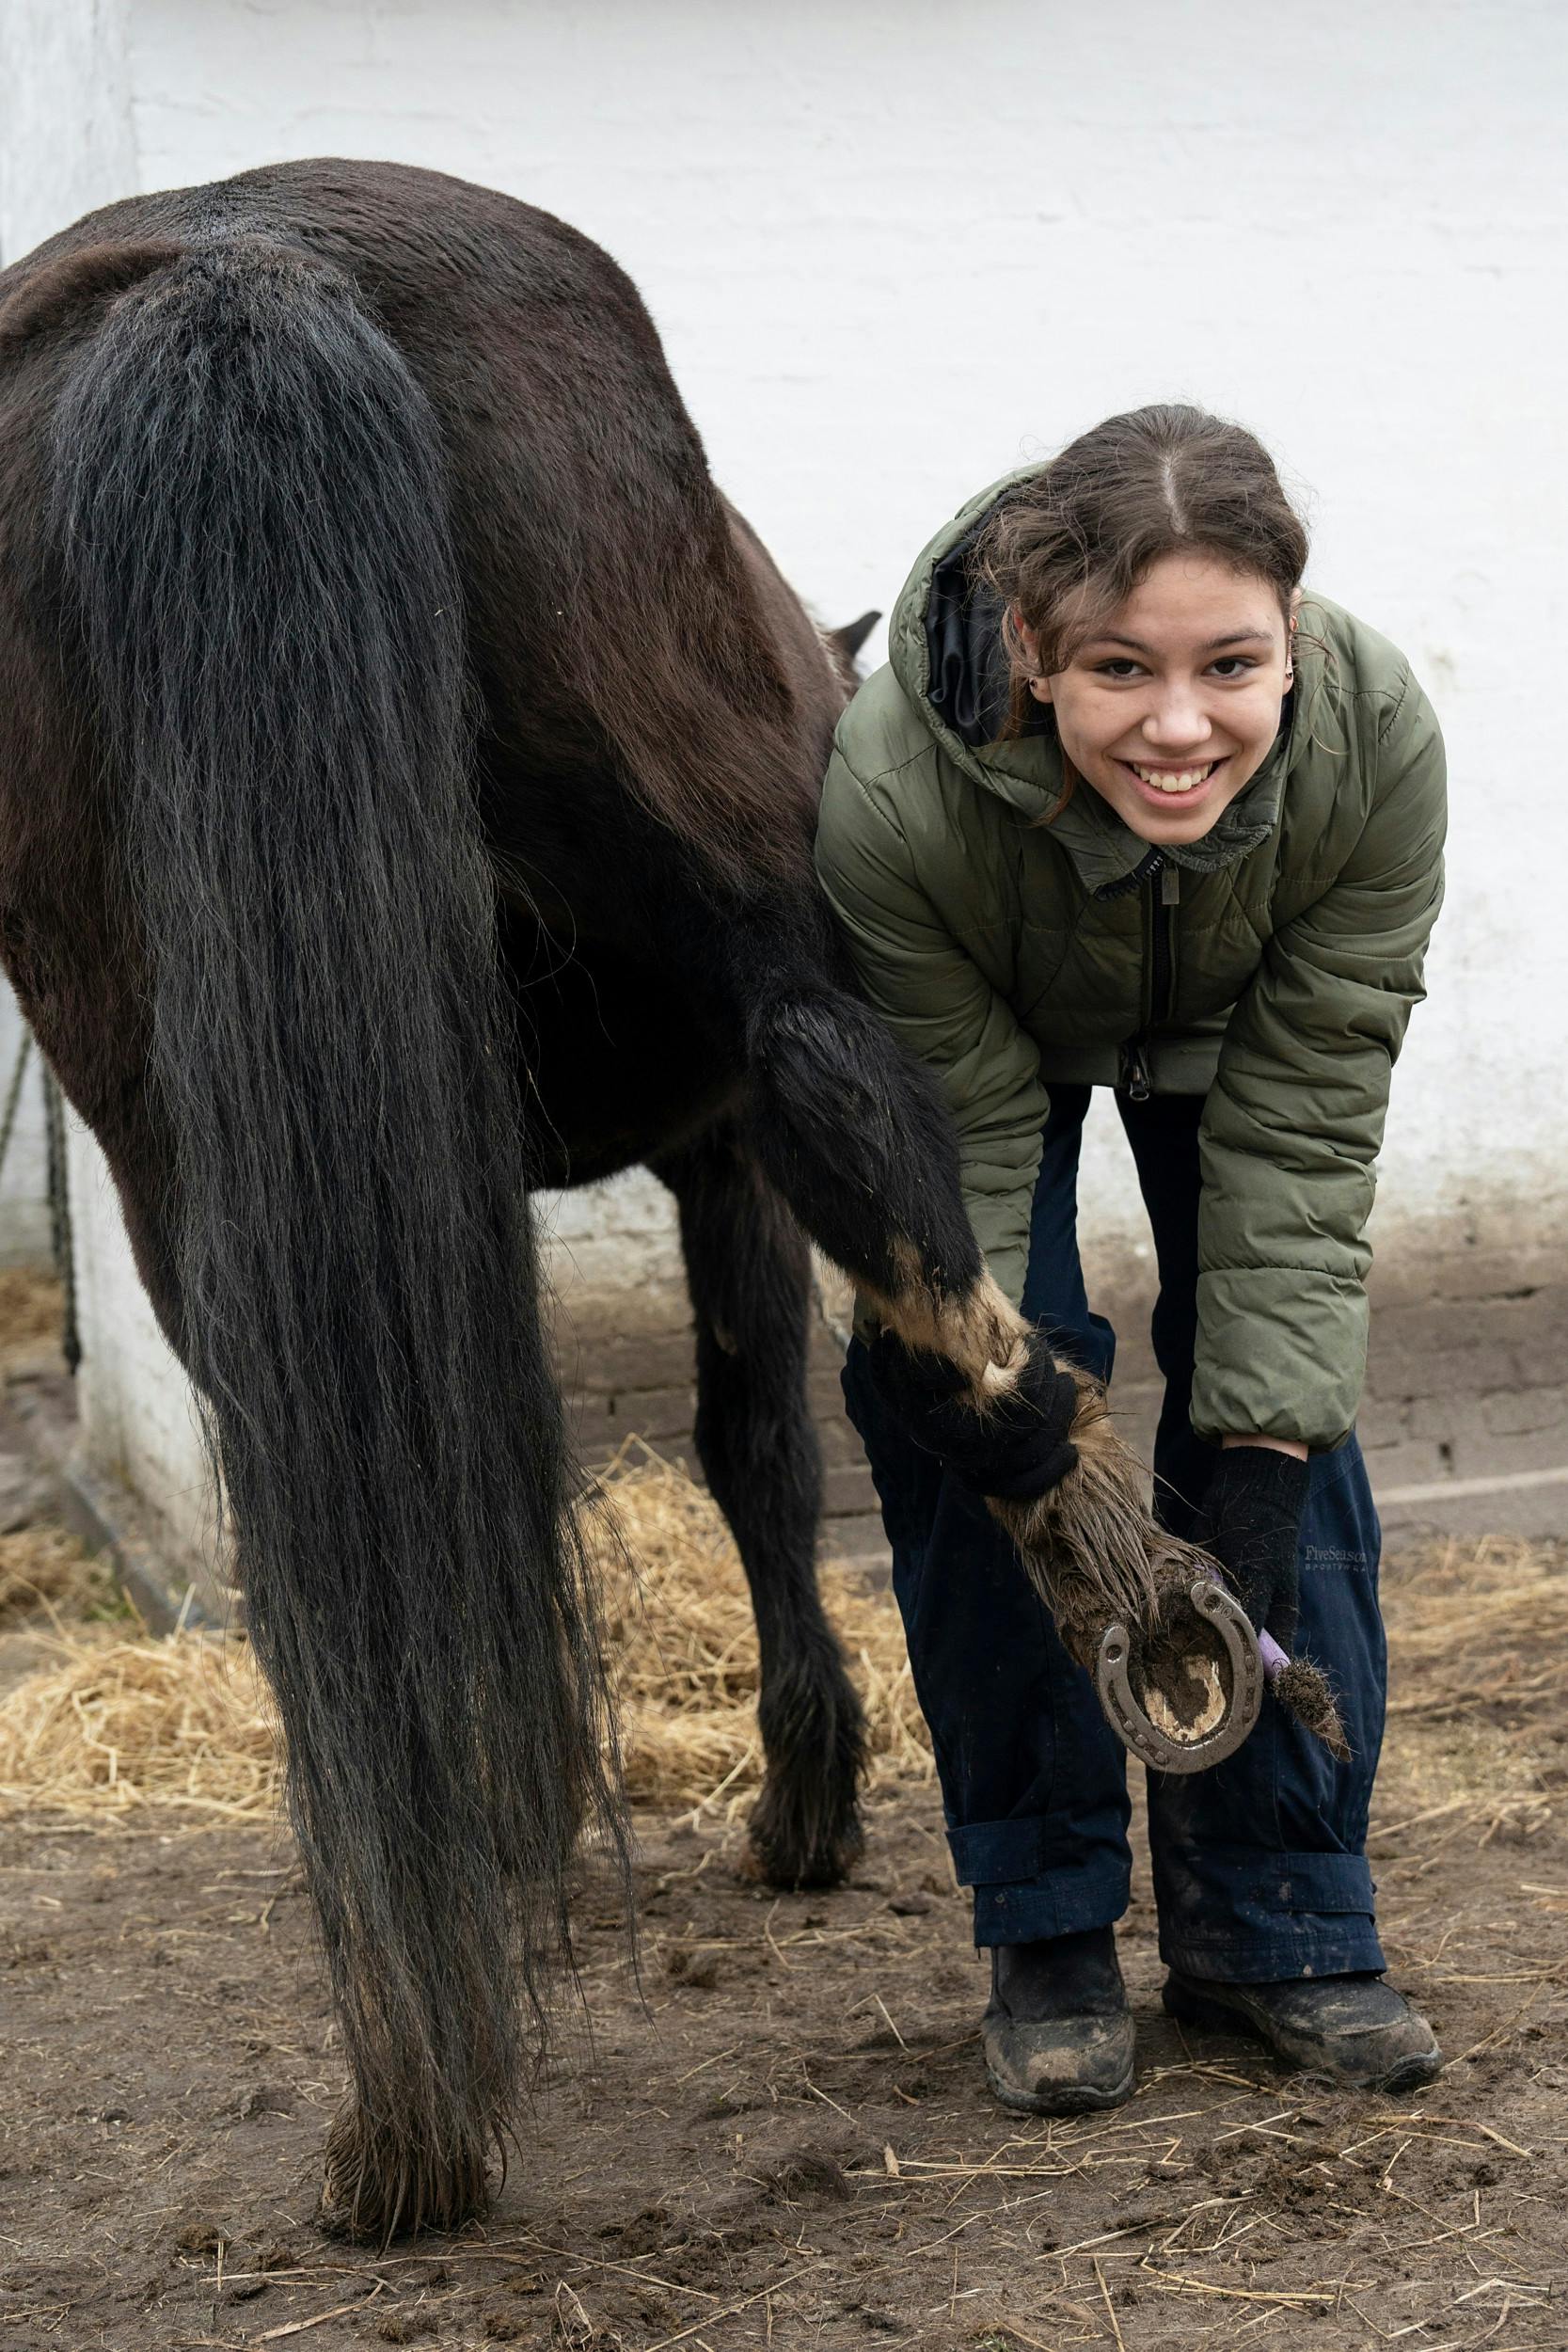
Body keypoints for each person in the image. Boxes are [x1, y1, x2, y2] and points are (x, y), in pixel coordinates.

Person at [815, 405, 1446, 2114]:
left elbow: (1304, 1139)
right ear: (1031, 650)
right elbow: (966, 1144)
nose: (1181, 726)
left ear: (1294, 639)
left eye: (1232, 664)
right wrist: (994, 1391)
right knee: (975, 1432)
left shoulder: (1375, 741)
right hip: (990, 1037)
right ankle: (1048, 1923)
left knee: (1285, 1440)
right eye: (1117, 671)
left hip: (1242, 1038)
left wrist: (1249, 1460)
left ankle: (1285, 1919)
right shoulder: (891, 792)